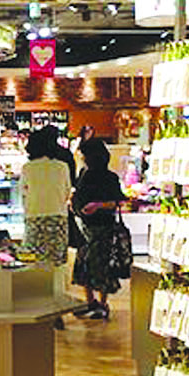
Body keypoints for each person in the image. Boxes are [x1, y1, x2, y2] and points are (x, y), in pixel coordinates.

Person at [71, 137, 128, 319]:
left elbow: (117, 201)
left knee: (90, 264)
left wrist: (95, 206)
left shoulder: (91, 177)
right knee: (96, 264)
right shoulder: (105, 176)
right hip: (97, 225)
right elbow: (117, 201)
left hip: (96, 227)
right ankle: (97, 303)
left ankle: (96, 303)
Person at [21, 128, 73, 295]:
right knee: (57, 263)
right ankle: (57, 296)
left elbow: (23, 192)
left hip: (34, 218)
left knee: (35, 261)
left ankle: (36, 294)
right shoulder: (62, 166)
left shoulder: (27, 168)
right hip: (58, 219)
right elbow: (67, 192)